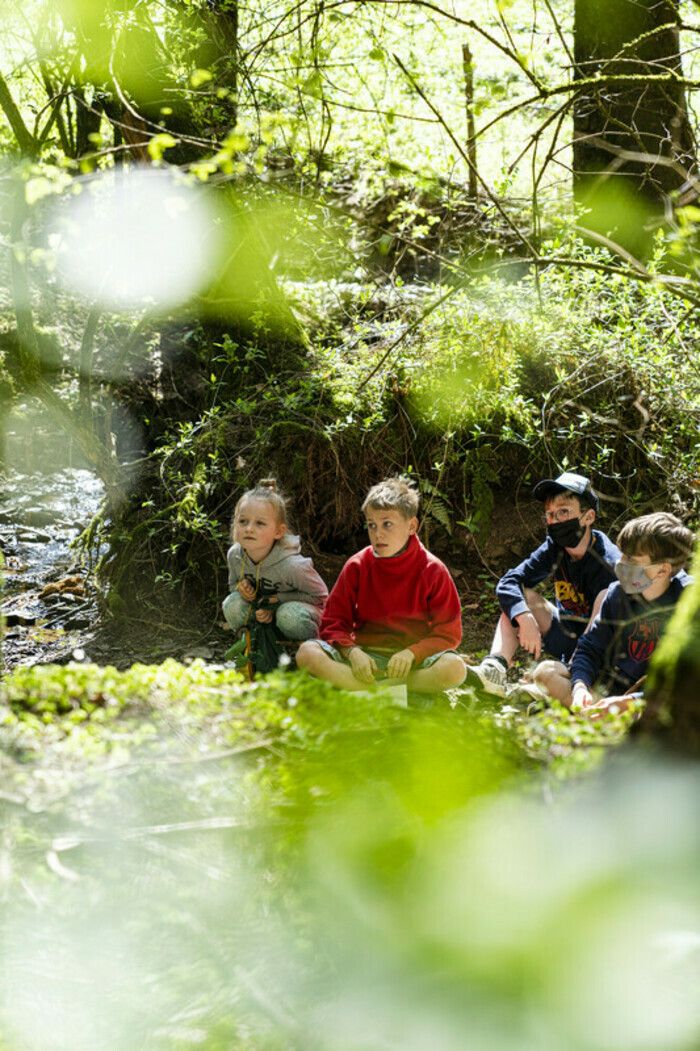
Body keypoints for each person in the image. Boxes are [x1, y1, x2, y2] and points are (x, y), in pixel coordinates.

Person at [295, 477, 466, 694]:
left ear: (412, 526)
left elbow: (448, 633)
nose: (378, 534)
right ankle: (384, 693)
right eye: (371, 525)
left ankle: (374, 693)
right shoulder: (357, 565)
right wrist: (352, 652)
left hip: (412, 664)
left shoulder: (433, 570)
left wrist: (413, 653)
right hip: (365, 660)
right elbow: (333, 621)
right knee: (307, 654)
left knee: (454, 669)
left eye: (387, 524)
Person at [464, 472, 620, 697]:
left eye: (564, 512)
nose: (556, 521)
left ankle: (569, 685)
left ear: (588, 517)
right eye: (550, 514)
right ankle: (495, 669)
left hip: (599, 650)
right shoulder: (555, 547)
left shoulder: (608, 562)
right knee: (518, 599)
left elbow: (604, 628)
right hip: (566, 633)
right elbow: (510, 581)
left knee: (606, 596)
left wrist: (575, 666)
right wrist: (524, 616)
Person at [534, 512, 695, 713]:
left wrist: (631, 702)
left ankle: (604, 720)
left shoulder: (688, 606)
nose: (621, 563)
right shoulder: (617, 593)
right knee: (546, 673)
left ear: (662, 570)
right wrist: (580, 687)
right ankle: (599, 717)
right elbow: (590, 647)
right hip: (605, 691)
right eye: (623, 554)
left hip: (650, 700)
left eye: (632, 560)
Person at [222, 479, 328, 647]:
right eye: (243, 521)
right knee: (231, 604)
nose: (249, 528)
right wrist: (240, 588)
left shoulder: (293, 566)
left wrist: (277, 600)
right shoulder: (235, 555)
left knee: (288, 615)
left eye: (260, 523)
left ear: (279, 531)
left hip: (296, 617)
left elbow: (322, 598)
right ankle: (252, 648)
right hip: (263, 616)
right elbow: (232, 585)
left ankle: (313, 651)